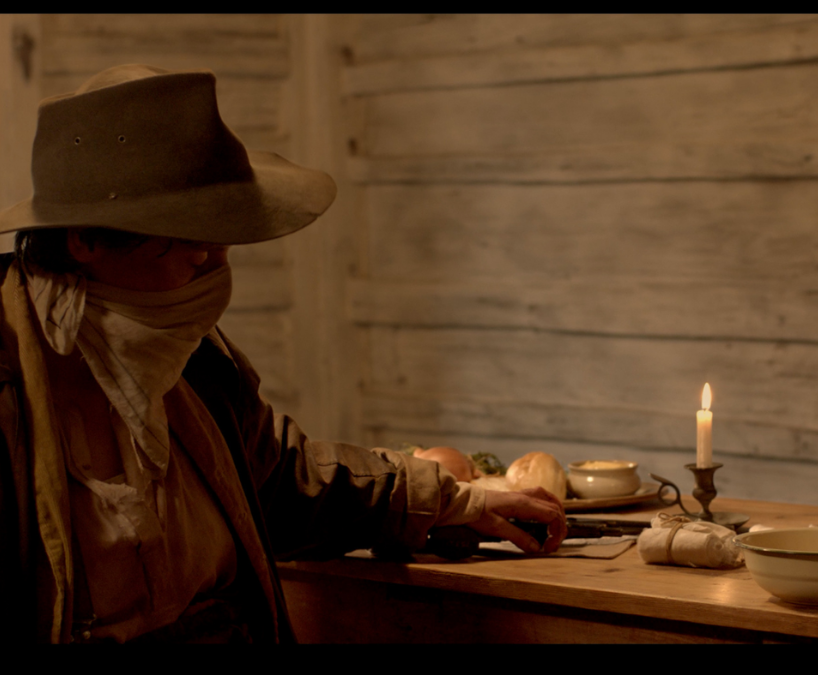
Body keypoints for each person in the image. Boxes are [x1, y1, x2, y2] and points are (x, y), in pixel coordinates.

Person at [0, 64, 566, 644]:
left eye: (221, 253)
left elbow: (278, 482)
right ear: (86, 242)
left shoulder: (192, 360)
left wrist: (444, 498)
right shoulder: (10, 374)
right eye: (196, 258)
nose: (217, 277)